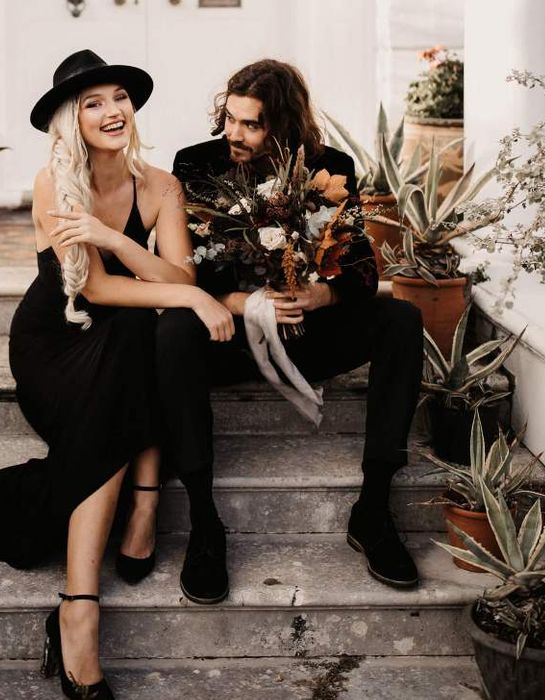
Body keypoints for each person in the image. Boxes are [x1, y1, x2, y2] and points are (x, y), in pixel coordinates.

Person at [0, 49, 234, 700]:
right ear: (71, 121)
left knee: (144, 336)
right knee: (141, 329)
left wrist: (127, 242)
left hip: (117, 341)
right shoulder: (55, 181)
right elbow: (97, 288)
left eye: (119, 98)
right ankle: (94, 580)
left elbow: (178, 276)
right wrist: (183, 293)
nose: (111, 111)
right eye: (92, 103)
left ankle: (92, 586)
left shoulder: (162, 186)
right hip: (54, 342)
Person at [159, 59, 424, 606]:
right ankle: (205, 524)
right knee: (173, 330)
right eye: (229, 119)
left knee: (401, 317)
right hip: (228, 337)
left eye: (250, 125)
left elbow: (363, 272)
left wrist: (322, 293)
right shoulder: (196, 165)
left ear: (281, 126)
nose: (233, 133)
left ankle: (373, 508)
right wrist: (243, 302)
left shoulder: (330, 167)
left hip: (309, 336)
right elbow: (186, 274)